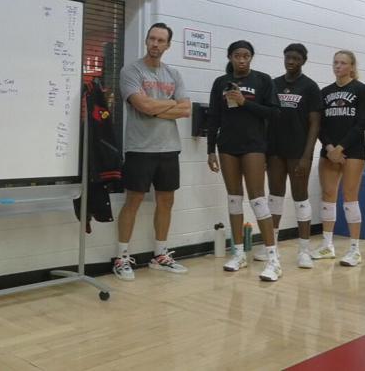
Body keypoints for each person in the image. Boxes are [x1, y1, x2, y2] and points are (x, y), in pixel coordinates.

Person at [113, 23, 191, 281]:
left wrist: (157, 106)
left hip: (169, 148)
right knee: (133, 202)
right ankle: (122, 257)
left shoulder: (174, 74)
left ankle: (160, 255)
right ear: (146, 41)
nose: (155, 44)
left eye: (161, 40)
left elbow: (186, 109)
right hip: (139, 148)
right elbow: (142, 105)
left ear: (168, 45)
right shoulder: (131, 70)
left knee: (166, 201)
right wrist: (170, 104)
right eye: (152, 39)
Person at [207, 40, 281, 281]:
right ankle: (238, 253)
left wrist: (244, 102)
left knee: (258, 198)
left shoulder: (262, 80)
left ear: (251, 58)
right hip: (227, 146)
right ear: (230, 57)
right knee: (234, 198)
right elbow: (213, 118)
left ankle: (273, 259)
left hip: (254, 145)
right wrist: (210, 150)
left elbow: (273, 113)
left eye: (246, 55)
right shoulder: (220, 83)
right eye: (237, 55)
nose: (241, 59)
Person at [312, 50, 365, 267]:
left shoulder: (360, 89)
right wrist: (329, 148)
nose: (338, 66)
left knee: (350, 195)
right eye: (335, 62)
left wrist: (341, 147)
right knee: (328, 194)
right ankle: (327, 245)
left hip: (352, 150)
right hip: (328, 150)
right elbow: (319, 125)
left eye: (343, 63)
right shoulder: (324, 92)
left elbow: (361, 122)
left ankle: (354, 249)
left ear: (352, 66)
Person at [265, 43, 322, 269]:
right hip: (275, 151)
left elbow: (315, 124)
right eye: (288, 57)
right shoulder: (274, 84)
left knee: (300, 197)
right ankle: (272, 247)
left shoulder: (310, 87)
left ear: (303, 61)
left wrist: (307, 155)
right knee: (275, 197)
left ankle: (304, 250)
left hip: (299, 151)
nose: (291, 61)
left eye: (296, 58)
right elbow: (267, 119)